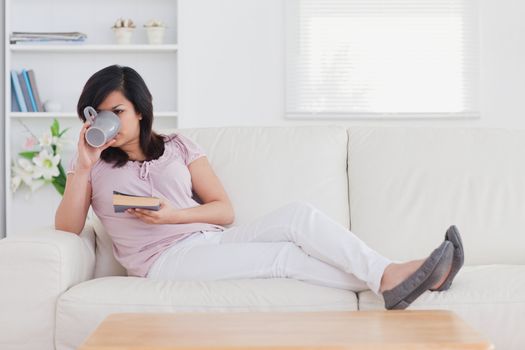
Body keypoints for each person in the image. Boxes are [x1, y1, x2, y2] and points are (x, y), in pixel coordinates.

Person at [55, 65, 464, 310]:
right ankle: (404, 276)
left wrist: (175, 214)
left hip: (210, 239)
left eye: (118, 111)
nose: (109, 122)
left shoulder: (178, 147)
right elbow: (67, 229)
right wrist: (83, 166)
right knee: (283, 258)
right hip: (163, 262)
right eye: (100, 114)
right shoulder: (91, 165)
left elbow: (224, 211)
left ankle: (396, 276)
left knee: (298, 216)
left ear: (141, 111)